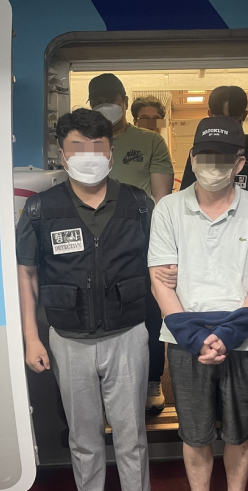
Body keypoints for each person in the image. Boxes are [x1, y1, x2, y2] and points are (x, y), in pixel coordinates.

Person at [16, 108, 157, 491]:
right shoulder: (41, 209)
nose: (89, 155)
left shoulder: (138, 204)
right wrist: (31, 337)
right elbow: (26, 274)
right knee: (83, 434)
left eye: (98, 147)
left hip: (127, 333)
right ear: (63, 155)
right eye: (78, 147)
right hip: (68, 338)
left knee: (131, 431)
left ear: (111, 154)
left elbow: (160, 264)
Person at [148, 116, 248, 491]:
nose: (212, 165)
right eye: (205, 156)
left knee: (240, 430)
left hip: (243, 337)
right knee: (195, 431)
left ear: (239, 163)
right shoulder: (168, 209)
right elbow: (159, 281)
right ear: (191, 158)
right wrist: (195, 338)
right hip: (185, 337)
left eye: (223, 158)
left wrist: (227, 335)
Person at [181, 85, 248, 423]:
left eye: (233, 116)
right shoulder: (200, 153)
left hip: (244, 251)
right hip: (204, 256)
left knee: (247, 338)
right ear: (208, 115)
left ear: (244, 116)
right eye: (219, 115)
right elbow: (190, 198)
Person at [88, 73, 174, 413]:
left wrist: (162, 246)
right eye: (98, 101)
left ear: (124, 101)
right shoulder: (86, 142)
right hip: (95, 242)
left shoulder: (150, 141)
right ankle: (106, 383)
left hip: (140, 241)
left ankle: (152, 381)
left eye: (111, 99)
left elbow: (162, 200)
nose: (106, 105)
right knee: (101, 310)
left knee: (148, 310)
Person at [180, 85, 248, 207]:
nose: (227, 129)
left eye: (233, 121)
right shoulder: (201, 151)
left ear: (244, 115)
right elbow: (186, 196)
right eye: (221, 121)